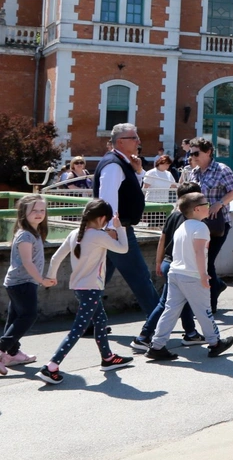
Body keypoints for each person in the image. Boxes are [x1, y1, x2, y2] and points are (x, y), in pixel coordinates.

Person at [38, 199, 134, 384]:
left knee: (101, 320)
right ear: (102, 218)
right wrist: (119, 228)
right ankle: (51, 367)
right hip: (92, 288)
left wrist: (51, 277)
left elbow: (57, 257)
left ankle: (107, 358)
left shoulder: (76, 234)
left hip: (80, 287)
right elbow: (123, 248)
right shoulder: (98, 236)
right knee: (78, 329)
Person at [144, 193, 233, 362]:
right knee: (204, 310)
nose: (209, 206)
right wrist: (203, 275)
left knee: (170, 310)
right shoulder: (201, 228)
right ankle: (215, 343)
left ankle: (157, 345)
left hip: (175, 273)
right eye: (206, 203)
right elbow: (200, 252)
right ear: (197, 209)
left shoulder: (182, 227)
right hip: (192, 275)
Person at [94, 123, 161, 320]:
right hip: (118, 230)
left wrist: (139, 171)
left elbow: (129, 190)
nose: (139, 141)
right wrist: (110, 228)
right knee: (140, 277)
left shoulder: (123, 163)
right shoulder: (114, 165)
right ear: (121, 142)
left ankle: (88, 319)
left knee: (98, 279)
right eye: (134, 137)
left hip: (114, 229)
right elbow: (107, 198)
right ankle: (158, 322)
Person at [132, 182, 204, 352]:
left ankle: (191, 333)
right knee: (166, 303)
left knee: (182, 301)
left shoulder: (173, 215)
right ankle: (144, 336)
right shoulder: (189, 220)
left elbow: (162, 240)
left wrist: (159, 262)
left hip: (168, 262)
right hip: (179, 266)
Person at [1, 195, 57, 373]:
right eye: (34, 210)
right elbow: (27, 262)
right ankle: (2, 349)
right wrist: (41, 280)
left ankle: (12, 352)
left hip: (21, 283)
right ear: (24, 213)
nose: (39, 214)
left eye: (42, 210)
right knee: (28, 316)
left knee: (15, 318)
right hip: (22, 283)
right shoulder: (25, 235)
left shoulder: (34, 232)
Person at [188, 137, 233, 312]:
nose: (193, 156)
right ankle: (216, 285)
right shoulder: (194, 172)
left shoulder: (221, 170)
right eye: (191, 153)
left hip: (218, 224)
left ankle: (210, 305)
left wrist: (220, 203)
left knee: (208, 260)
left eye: (196, 153)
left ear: (208, 152)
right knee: (200, 261)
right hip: (198, 225)